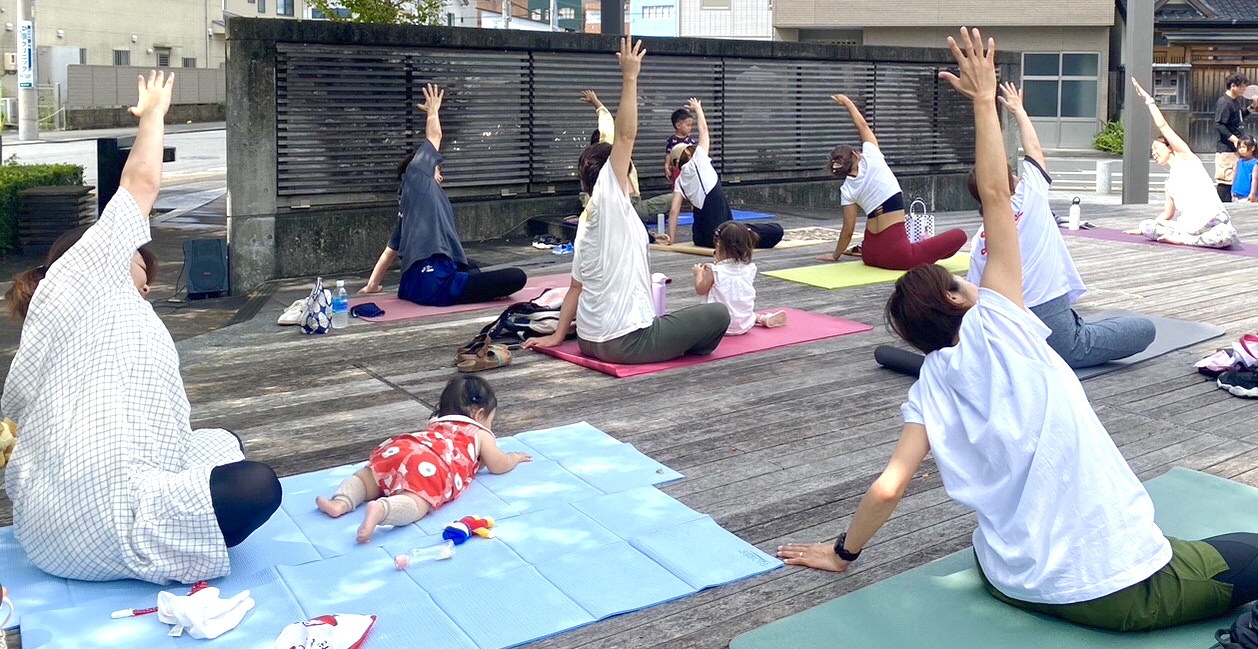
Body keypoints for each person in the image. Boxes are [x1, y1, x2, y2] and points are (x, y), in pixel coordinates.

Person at [778, 28, 1258, 632]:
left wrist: (842, 555)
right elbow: (999, 192)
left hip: (1012, 579)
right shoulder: (1004, 320)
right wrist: (981, 102)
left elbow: (890, 487)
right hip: (1116, 590)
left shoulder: (929, 388)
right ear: (955, 295)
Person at [2, 71, 281, 583]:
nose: (148, 283)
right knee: (257, 485)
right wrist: (154, 114)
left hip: (42, 536)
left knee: (223, 441)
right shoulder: (89, 266)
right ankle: (166, 542)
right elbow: (140, 184)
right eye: (142, 264)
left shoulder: (47, 331)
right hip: (117, 524)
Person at [525, 38, 731, 365]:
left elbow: (575, 288)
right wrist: (630, 78)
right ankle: (676, 345)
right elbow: (624, 136)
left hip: (590, 341)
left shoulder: (588, 222)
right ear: (611, 171)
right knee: (719, 314)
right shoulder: (610, 197)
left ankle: (671, 341)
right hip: (626, 342)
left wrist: (559, 335)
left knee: (679, 321)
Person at [967, 82, 1155, 369]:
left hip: (1007, 325)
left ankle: (1075, 324)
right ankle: (1079, 327)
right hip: (1044, 314)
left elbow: (976, 294)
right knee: (1144, 331)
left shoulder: (980, 239)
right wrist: (1019, 111)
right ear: (1012, 184)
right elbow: (1034, 151)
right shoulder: (1029, 196)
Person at [363, 84, 527, 305]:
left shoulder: (407, 208)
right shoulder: (418, 176)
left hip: (412, 285)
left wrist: (372, 285)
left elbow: (389, 252)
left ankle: (474, 285)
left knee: (471, 265)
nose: (441, 176)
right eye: (438, 169)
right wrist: (433, 110)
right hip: (436, 284)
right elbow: (434, 136)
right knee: (517, 277)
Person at [316, 376, 529, 543]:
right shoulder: (479, 433)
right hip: (432, 464)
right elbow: (498, 465)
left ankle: (340, 502)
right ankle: (382, 510)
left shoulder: (435, 421)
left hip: (403, 447)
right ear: (480, 414)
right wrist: (514, 458)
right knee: (418, 501)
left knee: (368, 478)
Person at [819, 93, 967, 269]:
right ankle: (925, 250)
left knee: (935, 249)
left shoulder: (847, 189)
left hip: (870, 254)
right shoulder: (872, 157)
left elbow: (848, 229)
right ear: (856, 154)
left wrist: (836, 255)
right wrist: (848, 103)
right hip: (896, 256)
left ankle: (925, 250)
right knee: (960, 235)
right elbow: (862, 126)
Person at [1129, 78, 1238, 248]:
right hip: (1188, 227)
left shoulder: (1186, 158)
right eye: (1152, 152)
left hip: (1212, 222)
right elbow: (1168, 213)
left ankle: (1186, 240)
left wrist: (1148, 100)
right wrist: (1143, 229)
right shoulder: (1169, 183)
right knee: (1146, 225)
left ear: (1169, 147)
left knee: (1227, 235)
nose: (1154, 154)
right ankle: (1188, 238)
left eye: (1156, 148)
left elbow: (1163, 125)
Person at [665, 97, 784, 250]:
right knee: (776, 230)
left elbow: (674, 211)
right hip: (722, 234)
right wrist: (698, 109)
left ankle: (739, 235)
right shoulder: (699, 160)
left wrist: (671, 241)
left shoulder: (680, 179)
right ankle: (739, 237)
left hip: (701, 238)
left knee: (737, 228)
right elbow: (704, 131)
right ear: (690, 152)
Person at [579, 89, 674, 223]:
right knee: (672, 199)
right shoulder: (608, 160)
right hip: (625, 205)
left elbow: (611, 131)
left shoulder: (594, 164)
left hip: (621, 206)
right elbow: (615, 133)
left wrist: (597, 104)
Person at [692, 221, 786, 333]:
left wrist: (698, 274)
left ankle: (759, 318)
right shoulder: (750, 268)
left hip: (718, 325)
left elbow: (700, 290)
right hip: (744, 323)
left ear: (719, 245)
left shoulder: (715, 270)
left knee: (693, 315)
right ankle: (761, 318)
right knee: (740, 309)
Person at [1213, 73, 1258, 203]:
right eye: (1242, 86)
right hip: (1227, 148)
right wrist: (1234, 139)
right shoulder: (1224, 102)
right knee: (1226, 181)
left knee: (1234, 179)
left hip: (1235, 148)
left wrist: (1252, 107)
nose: (1244, 89)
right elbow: (1218, 124)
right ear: (1233, 86)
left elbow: (1238, 118)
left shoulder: (1234, 102)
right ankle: (1222, 208)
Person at [664, 105, 698, 180]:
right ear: (678, 125)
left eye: (691, 125)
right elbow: (668, 154)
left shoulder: (690, 140)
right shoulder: (672, 140)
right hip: (676, 168)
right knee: (677, 184)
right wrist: (667, 166)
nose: (690, 128)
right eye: (688, 125)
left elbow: (694, 153)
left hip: (689, 168)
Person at [1230, 138, 1258, 203]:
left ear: (1252, 148)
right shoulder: (1239, 162)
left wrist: (1253, 193)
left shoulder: (1254, 163)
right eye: (1240, 147)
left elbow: (1254, 179)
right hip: (1237, 193)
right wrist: (1233, 190)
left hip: (1247, 195)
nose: (1241, 149)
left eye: (1244, 147)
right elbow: (1235, 176)